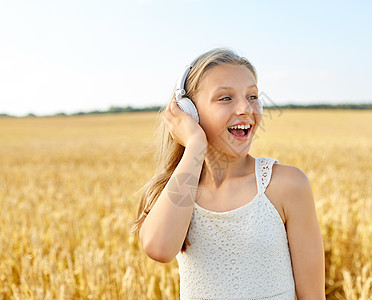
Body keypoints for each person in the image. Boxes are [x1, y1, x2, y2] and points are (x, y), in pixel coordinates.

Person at [131, 47, 325, 299]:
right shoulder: (178, 190)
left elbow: (312, 295)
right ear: (189, 112)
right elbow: (159, 249)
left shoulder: (286, 185)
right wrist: (195, 146)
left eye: (252, 96)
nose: (245, 108)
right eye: (225, 98)